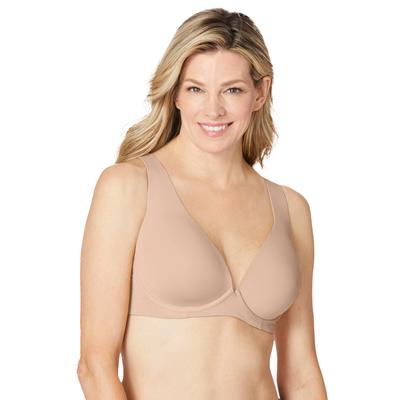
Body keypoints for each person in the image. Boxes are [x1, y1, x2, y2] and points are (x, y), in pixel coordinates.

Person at [77, 7, 328, 400]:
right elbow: (95, 367)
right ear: (175, 92)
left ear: (260, 93)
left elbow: (301, 375)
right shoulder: (128, 187)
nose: (213, 110)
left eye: (232, 90)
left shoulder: (291, 209)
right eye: (196, 89)